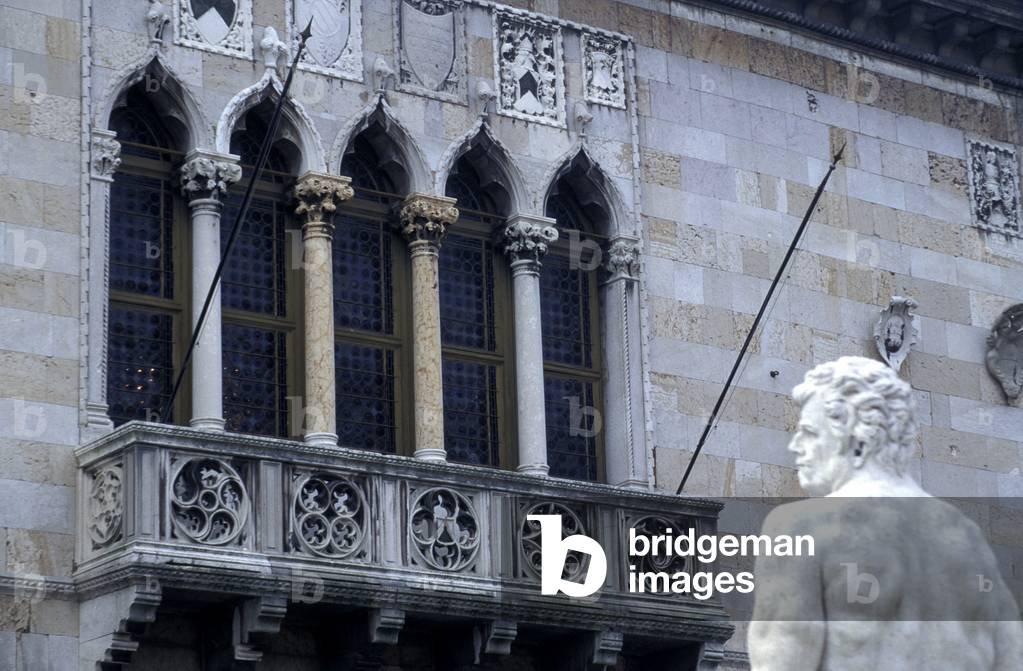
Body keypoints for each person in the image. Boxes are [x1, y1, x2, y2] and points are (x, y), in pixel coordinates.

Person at [748, 356, 1022, 670]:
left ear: (858, 443)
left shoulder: (802, 528)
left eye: (810, 433)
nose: (797, 446)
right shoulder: (968, 539)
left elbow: (780, 661)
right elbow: (1011, 660)